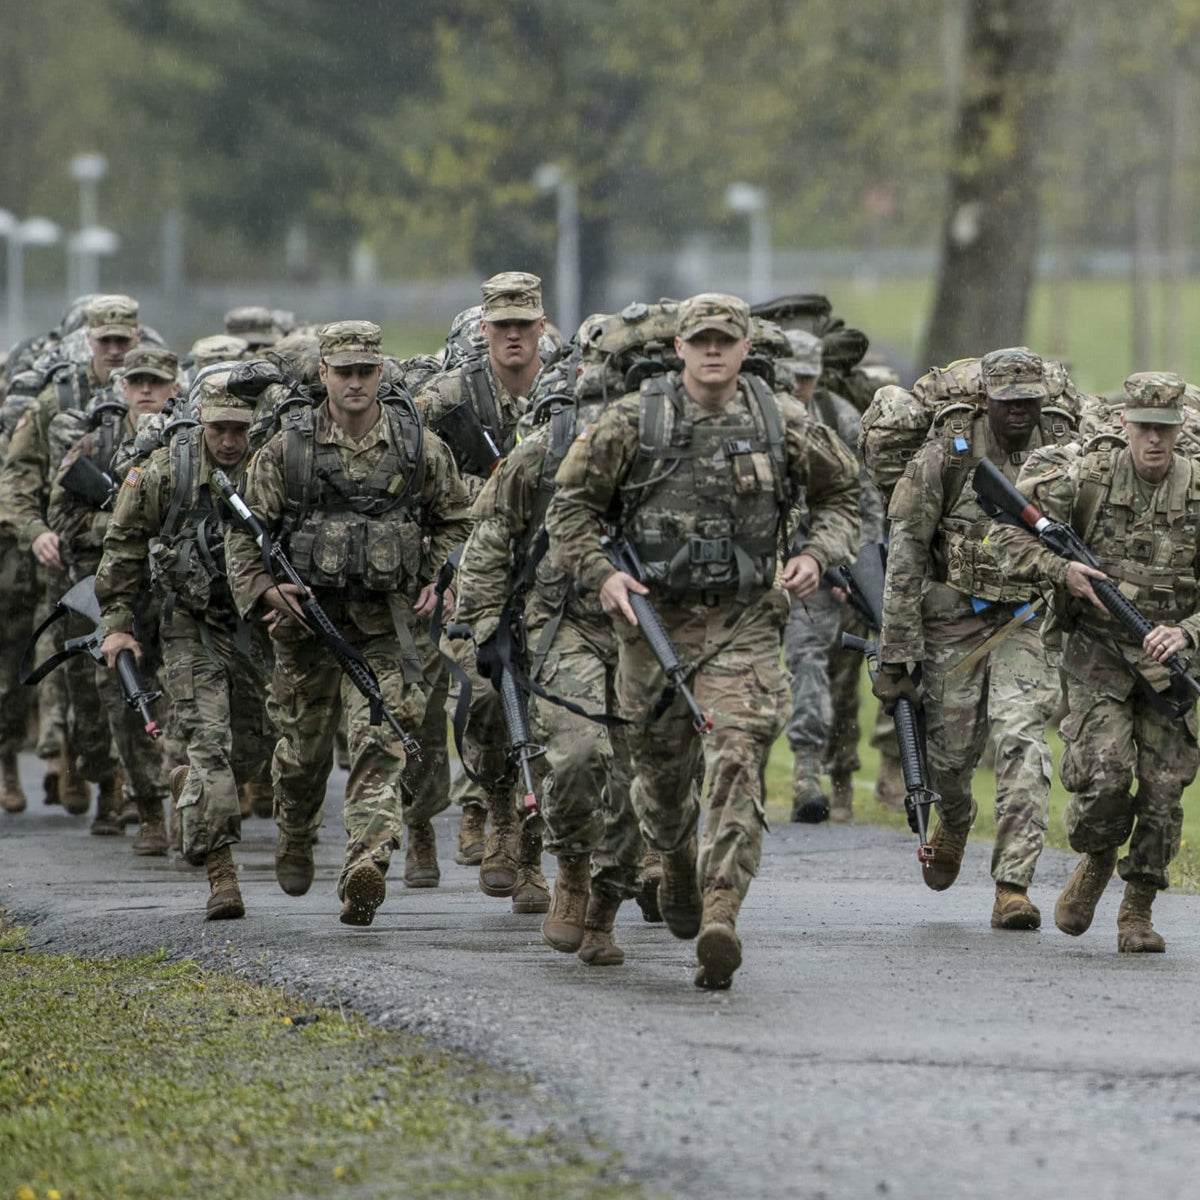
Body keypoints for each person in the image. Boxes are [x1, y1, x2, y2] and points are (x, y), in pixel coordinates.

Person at [547, 292, 860, 989]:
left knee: (736, 758)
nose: (714, 350)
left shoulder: (782, 422)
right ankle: (676, 861)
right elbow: (569, 512)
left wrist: (816, 554)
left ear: (746, 347)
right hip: (653, 629)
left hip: (745, 624)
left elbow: (844, 495)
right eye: (702, 340)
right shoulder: (633, 423)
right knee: (659, 786)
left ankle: (722, 911)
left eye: (727, 339)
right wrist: (602, 574)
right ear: (681, 348)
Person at [226, 320, 471, 927]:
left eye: (366, 371)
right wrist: (264, 590)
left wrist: (440, 582)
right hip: (308, 626)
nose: (356, 382)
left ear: (382, 373)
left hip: (388, 624)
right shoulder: (289, 449)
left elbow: (458, 525)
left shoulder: (419, 448)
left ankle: (366, 861)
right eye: (345, 372)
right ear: (324, 375)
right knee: (304, 752)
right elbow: (243, 532)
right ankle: (296, 827)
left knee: (383, 738)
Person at [991, 372, 1200, 953]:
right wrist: (1064, 572)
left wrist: (1184, 632)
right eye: (1143, 428)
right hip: (1098, 656)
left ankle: (1137, 912)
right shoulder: (1086, 480)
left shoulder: (1198, 490)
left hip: (1172, 668)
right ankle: (1097, 855)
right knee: (1104, 780)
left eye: (1164, 429)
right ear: (1126, 425)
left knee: (1163, 794)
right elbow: (1007, 536)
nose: (1153, 440)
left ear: (1179, 429)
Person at [871, 347, 1072, 928]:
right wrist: (897, 652)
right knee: (950, 759)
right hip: (952, 620)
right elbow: (906, 551)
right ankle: (955, 818)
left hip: (1028, 620)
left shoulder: (1062, 451)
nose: (1020, 413)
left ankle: (1013, 885)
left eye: (1030, 402)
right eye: (1009, 403)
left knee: (1021, 741)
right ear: (986, 400)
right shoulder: (947, 454)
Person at [456, 383, 644, 965]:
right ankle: (574, 875)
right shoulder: (544, 451)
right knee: (577, 755)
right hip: (565, 627)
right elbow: (489, 540)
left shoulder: (674, 451)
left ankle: (607, 909)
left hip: (654, 633)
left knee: (646, 780)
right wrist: (487, 627)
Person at [96, 372, 275, 917]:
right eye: (219, 428)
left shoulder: (269, 469)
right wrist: (118, 624)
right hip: (188, 628)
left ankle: (187, 785)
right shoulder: (164, 473)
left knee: (256, 745)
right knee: (208, 742)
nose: (228, 441)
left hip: (252, 630)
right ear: (201, 421)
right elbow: (122, 547)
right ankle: (222, 878)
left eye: (239, 430)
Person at [415, 272, 548, 906]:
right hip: (472, 574)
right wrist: (431, 569)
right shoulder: (444, 402)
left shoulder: (565, 390)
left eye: (525, 324)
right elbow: (410, 489)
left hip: (552, 575)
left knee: (555, 713)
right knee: (489, 700)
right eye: (502, 326)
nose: (514, 335)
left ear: (542, 327)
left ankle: (531, 858)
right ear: (485, 330)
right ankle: (496, 806)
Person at [0, 294, 144, 823]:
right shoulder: (55, 400)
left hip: (135, 563)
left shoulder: (154, 394)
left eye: (122, 341)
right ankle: (82, 766)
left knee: (136, 671)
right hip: (64, 556)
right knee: (74, 673)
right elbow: (16, 481)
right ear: (88, 340)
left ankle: (126, 788)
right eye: (105, 341)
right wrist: (36, 531)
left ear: (136, 337)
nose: (114, 350)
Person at [47, 345, 180, 852]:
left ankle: (186, 800)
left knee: (187, 700)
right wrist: (122, 521)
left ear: (173, 386)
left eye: (157, 381)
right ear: (122, 387)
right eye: (137, 381)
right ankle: (146, 808)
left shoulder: (190, 443)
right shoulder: (94, 446)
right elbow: (59, 517)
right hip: (110, 588)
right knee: (121, 699)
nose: (146, 390)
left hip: (174, 590)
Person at [779, 330, 885, 823]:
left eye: (807, 376)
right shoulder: (758, 415)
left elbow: (864, 501)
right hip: (768, 567)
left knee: (825, 671)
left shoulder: (838, 418)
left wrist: (851, 567)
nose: (799, 385)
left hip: (823, 569)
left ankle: (819, 775)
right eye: (792, 375)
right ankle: (796, 774)